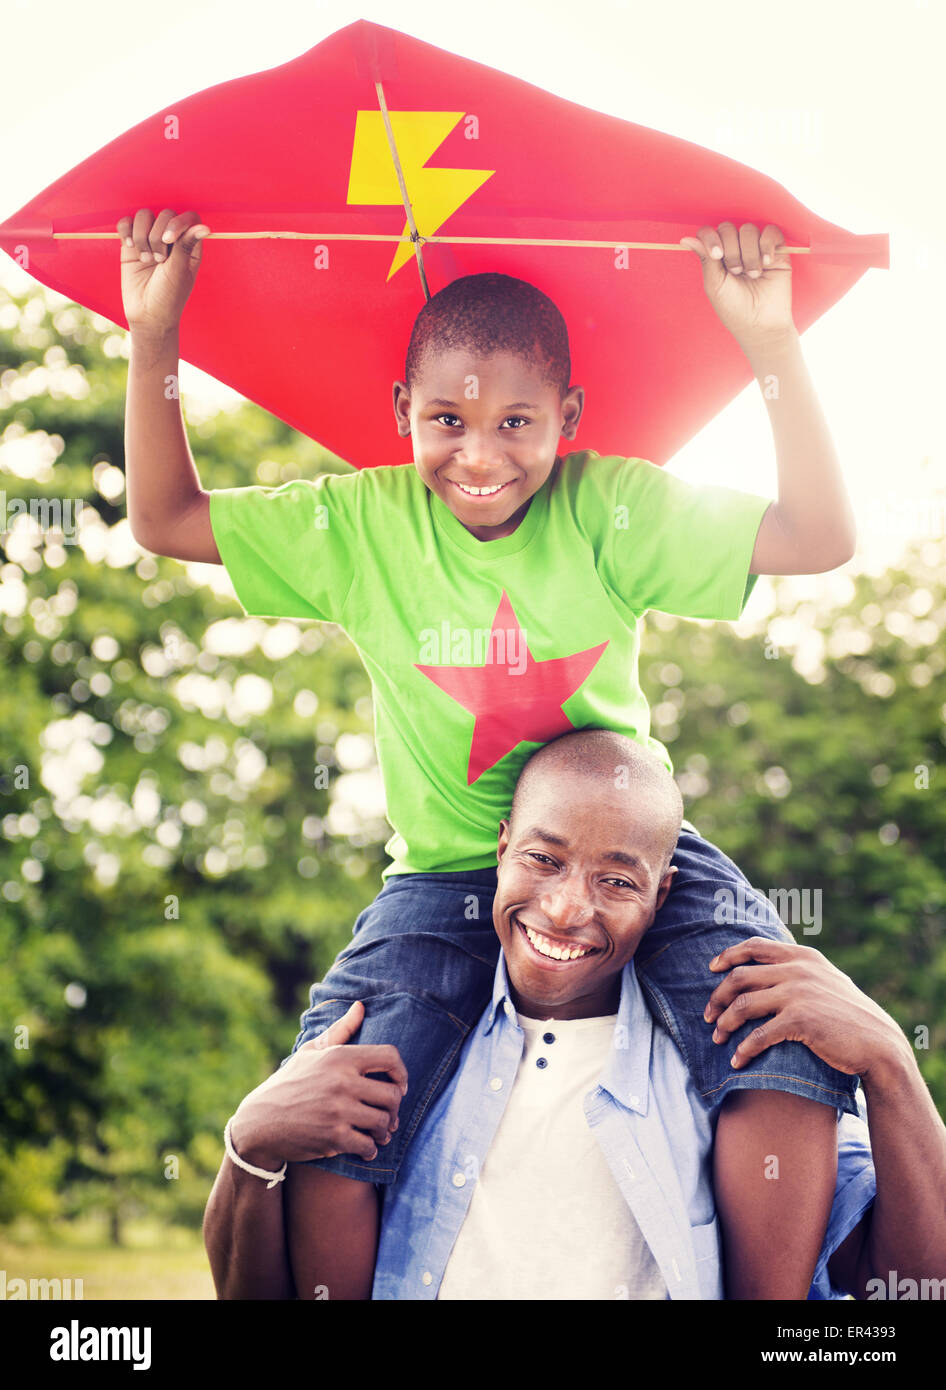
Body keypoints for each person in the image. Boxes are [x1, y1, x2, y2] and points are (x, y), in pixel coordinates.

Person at [119, 205, 859, 1296]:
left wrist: (770, 346)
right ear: (401, 414)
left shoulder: (611, 507)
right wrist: (153, 336)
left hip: (626, 857)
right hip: (447, 876)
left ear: (568, 416)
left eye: (518, 422)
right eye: (446, 421)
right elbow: (165, 518)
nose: (479, 454)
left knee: (787, 1044)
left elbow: (818, 539)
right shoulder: (361, 525)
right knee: (343, 1097)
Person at [203, 731, 946, 1299]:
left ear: (663, 894)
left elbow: (913, 1284)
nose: (566, 909)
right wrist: (251, 1145)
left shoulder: (727, 1072)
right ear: (500, 851)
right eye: (544, 860)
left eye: (618, 879)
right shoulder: (399, 1050)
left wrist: (891, 1066)